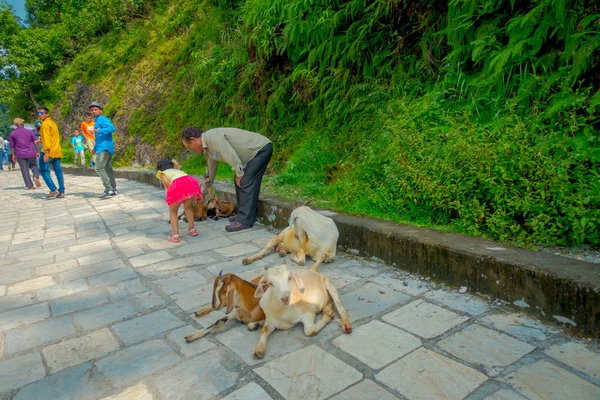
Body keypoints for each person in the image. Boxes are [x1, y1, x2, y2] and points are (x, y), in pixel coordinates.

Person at [181, 126, 273, 232]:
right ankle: (244, 215)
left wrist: (239, 174)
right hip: (253, 155)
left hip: (260, 149)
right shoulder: (208, 150)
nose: (192, 150)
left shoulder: (212, 137)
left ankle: (245, 220)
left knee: (245, 181)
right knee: (240, 180)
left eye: (189, 147)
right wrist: (202, 192)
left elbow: (229, 153)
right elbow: (210, 172)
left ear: (193, 139)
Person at [156, 157, 203, 243]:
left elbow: (167, 184)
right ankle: (192, 229)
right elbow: (185, 180)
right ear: (173, 165)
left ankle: (175, 235)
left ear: (159, 168)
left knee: (173, 211)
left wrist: (173, 196)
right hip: (190, 184)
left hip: (177, 187)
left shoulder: (162, 173)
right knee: (188, 208)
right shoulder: (178, 171)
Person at [89, 101, 117, 198]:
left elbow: (112, 128)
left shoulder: (102, 119)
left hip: (104, 148)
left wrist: (98, 130)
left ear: (100, 111)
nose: (94, 111)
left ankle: (108, 189)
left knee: (98, 167)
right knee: (108, 169)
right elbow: (99, 138)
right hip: (103, 147)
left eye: (96, 109)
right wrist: (95, 148)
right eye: (92, 110)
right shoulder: (97, 121)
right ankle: (113, 189)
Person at [37, 106, 66, 198]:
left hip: (48, 151)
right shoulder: (52, 123)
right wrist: (40, 141)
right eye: (38, 113)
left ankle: (53, 189)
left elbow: (47, 139)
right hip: (56, 150)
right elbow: (53, 137)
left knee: (43, 170)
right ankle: (61, 191)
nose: (40, 115)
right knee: (58, 172)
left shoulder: (45, 124)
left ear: (47, 114)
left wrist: (46, 152)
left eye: (42, 113)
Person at [9, 118, 41, 190]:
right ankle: (35, 176)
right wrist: (38, 151)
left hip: (20, 154)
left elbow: (12, 146)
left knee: (24, 169)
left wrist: (13, 155)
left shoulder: (12, 134)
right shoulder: (29, 132)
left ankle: (30, 186)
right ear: (23, 124)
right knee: (34, 166)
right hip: (31, 152)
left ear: (15, 125)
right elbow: (36, 142)